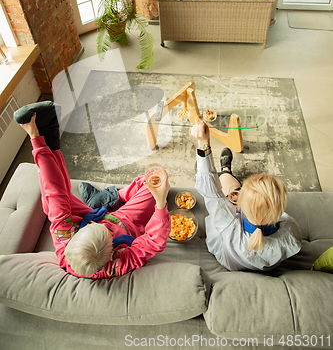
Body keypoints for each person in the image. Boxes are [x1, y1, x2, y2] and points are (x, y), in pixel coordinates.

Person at [14, 101, 171, 279]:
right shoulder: (117, 264)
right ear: (111, 254)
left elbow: (54, 192)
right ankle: (106, 198)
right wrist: (160, 202)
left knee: (53, 203)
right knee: (154, 180)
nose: (105, 226)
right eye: (106, 231)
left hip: (81, 217)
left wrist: (35, 139)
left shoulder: (65, 240)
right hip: (125, 222)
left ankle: (47, 137)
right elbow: (154, 241)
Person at [191, 119, 302, 271]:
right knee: (231, 188)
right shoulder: (291, 230)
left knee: (227, 184)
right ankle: (226, 170)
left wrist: (203, 142)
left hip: (226, 256)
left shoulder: (230, 225)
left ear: (240, 207)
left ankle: (225, 170)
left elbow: (210, 191)